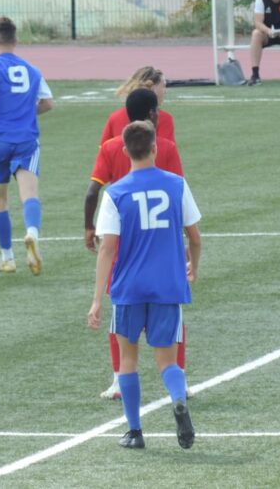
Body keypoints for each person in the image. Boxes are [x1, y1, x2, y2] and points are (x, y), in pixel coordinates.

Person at [87, 119, 201, 450]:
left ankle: (135, 432)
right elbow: (195, 237)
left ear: (125, 151)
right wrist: (193, 267)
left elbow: (107, 248)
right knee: (168, 361)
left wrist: (97, 300)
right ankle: (177, 399)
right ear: (155, 148)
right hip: (167, 285)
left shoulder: (115, 193)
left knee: (128, 360)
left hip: (129, 288)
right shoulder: (177, 185)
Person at [85, 88, 189, 400]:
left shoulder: (110, 147)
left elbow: (93, 189)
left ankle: (119, 379)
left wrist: (89, 226)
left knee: (120, 320)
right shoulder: (165, 147)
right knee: (172, 321)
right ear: (153, 114)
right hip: (161, 247)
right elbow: (178, 195)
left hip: (122, 246)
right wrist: (185, 245)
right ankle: (179, 381)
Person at [0, 16, 53, 275]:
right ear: (16, 41)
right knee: (30, 195)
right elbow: (48, 103)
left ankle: (7, 258)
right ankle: (32, 234)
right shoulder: (32, 69)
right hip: (25, 140)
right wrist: (25, 113)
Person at [100, 66, 176, 145]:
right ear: (153, 88)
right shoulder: (164, 118)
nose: (165, 91)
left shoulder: (115, 117)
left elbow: (104, 148)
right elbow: (167, 149)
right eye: (163, 86)